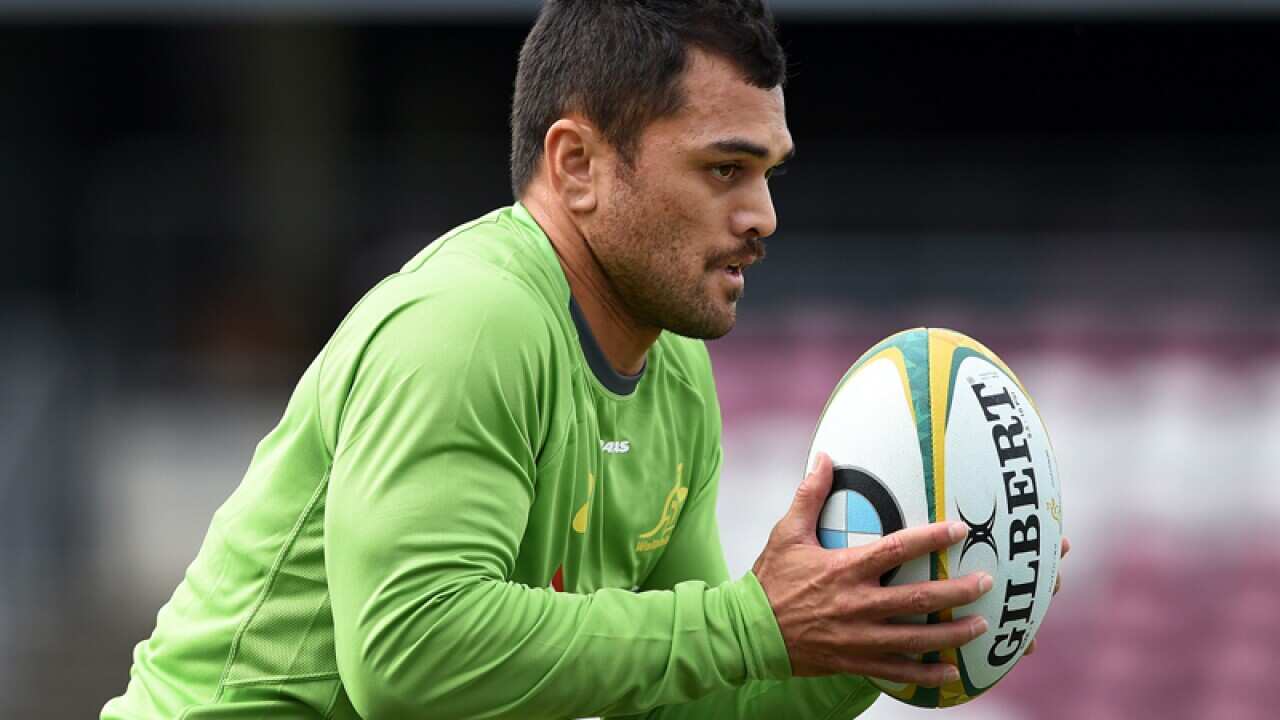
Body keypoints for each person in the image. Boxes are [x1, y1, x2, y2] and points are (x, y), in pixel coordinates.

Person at [102, 1, 1066, 718]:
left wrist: (874, 632)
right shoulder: (472, 322)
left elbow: (691, 692)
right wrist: (751, 625)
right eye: (724, 169)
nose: (763, 217)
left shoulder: (675, 370)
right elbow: (408, 654)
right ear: (577, 166)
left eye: (768, 175)